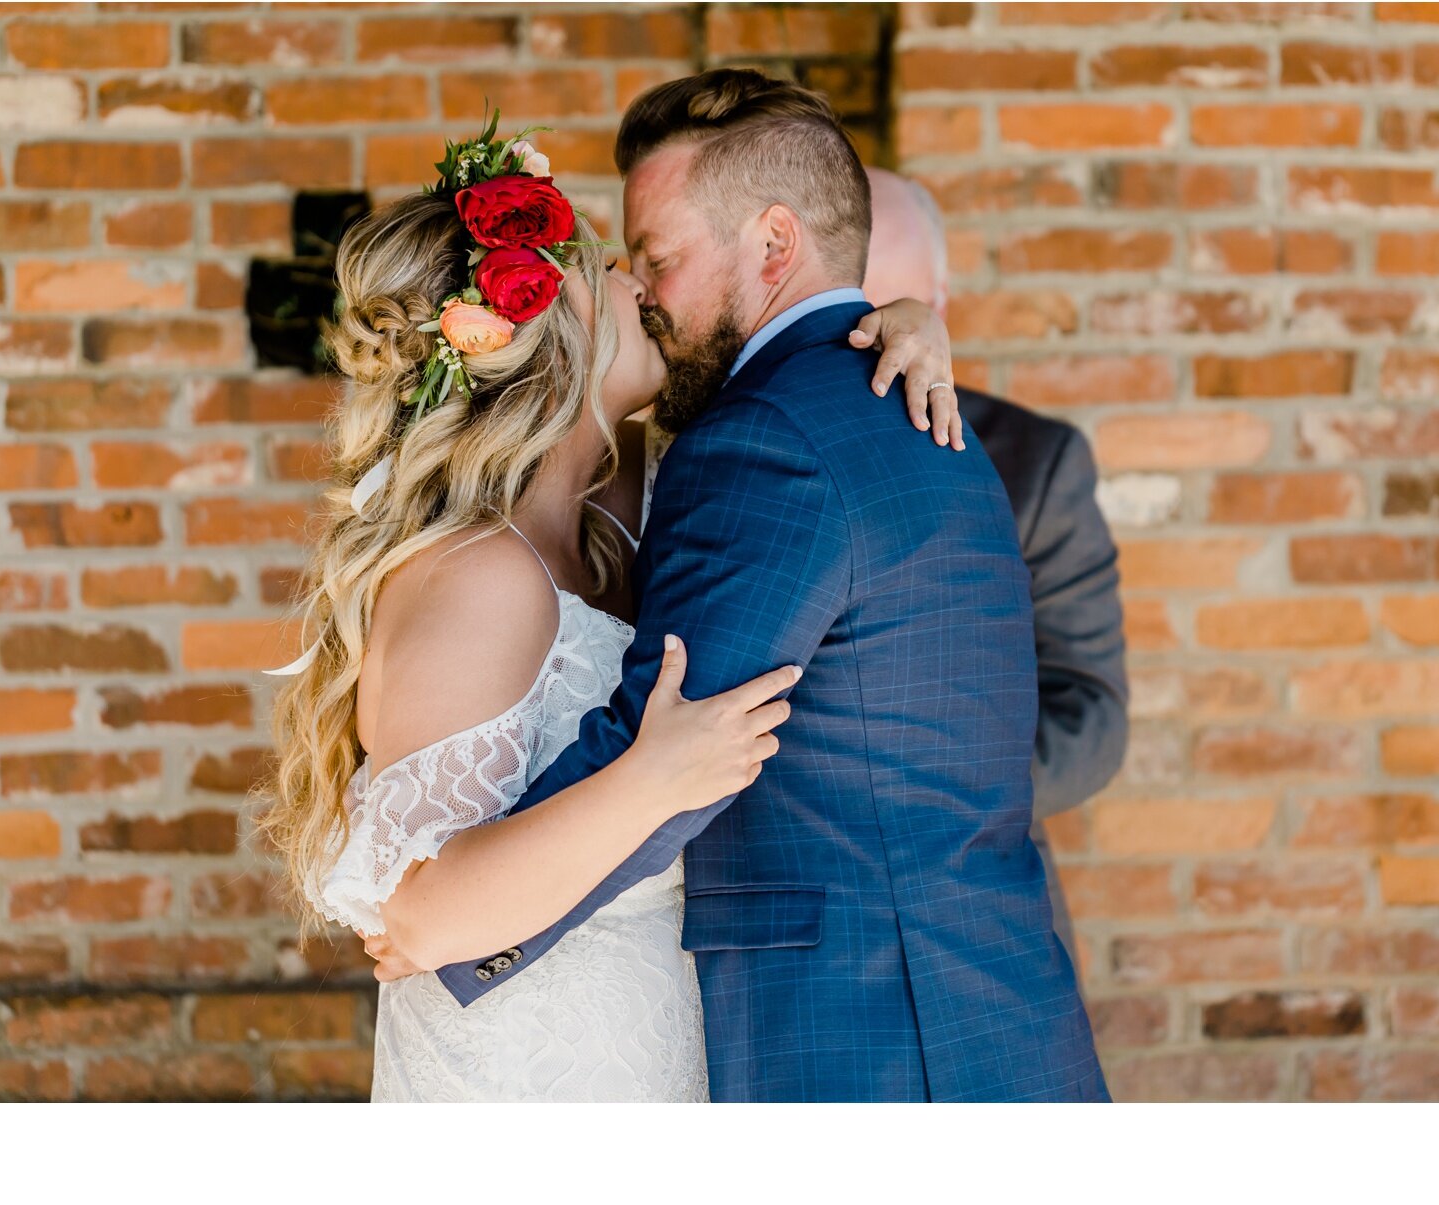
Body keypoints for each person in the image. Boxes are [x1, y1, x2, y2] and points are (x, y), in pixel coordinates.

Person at [377, 70, 1106, 1102]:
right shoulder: (912, 413)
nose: (641, 293)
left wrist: (450, 920)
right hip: (981, 1017)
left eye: (660, 260)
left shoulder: (763, 442)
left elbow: (670, 740)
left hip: (868, 1046)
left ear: (773, 246)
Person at [267, 107, 964, 1100]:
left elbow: (763, 365)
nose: (642, 285)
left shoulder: (625, 511)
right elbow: (419, 910)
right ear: (548, 338)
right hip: (528, 1079)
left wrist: (895, 323)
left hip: (653, 1048)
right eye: (610, 267)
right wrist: (651, 779)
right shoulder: (477, 575)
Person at [862, 168, 1131, 955]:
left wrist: (928, 800)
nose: (870, 338)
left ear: (937, 301)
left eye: (891, 309)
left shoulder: (1035, 462)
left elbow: (1092, 712)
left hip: (987, 913)